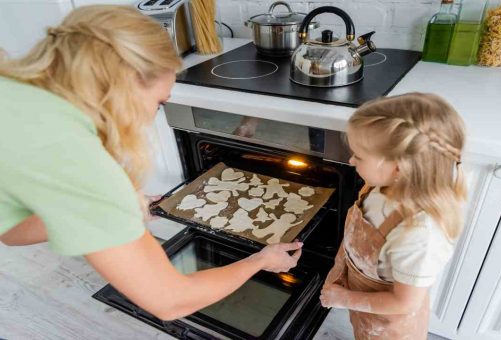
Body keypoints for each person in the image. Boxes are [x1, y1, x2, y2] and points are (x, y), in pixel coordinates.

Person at [0, 5, 302, 322]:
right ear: (126, 84)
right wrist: (260, 261)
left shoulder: (14, 88)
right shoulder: (83, 163)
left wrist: (117, 209)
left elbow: (9, 228)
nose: (152, 114)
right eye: (159, 103)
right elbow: (171, 301)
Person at [320, 93, 466, 339]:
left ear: (399, 167)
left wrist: (346, 299)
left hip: (388, 325)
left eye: (360, 156)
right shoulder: (381, 184)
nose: (351, 160)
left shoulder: (419, 234)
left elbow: (404, 303)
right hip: (363, 301)